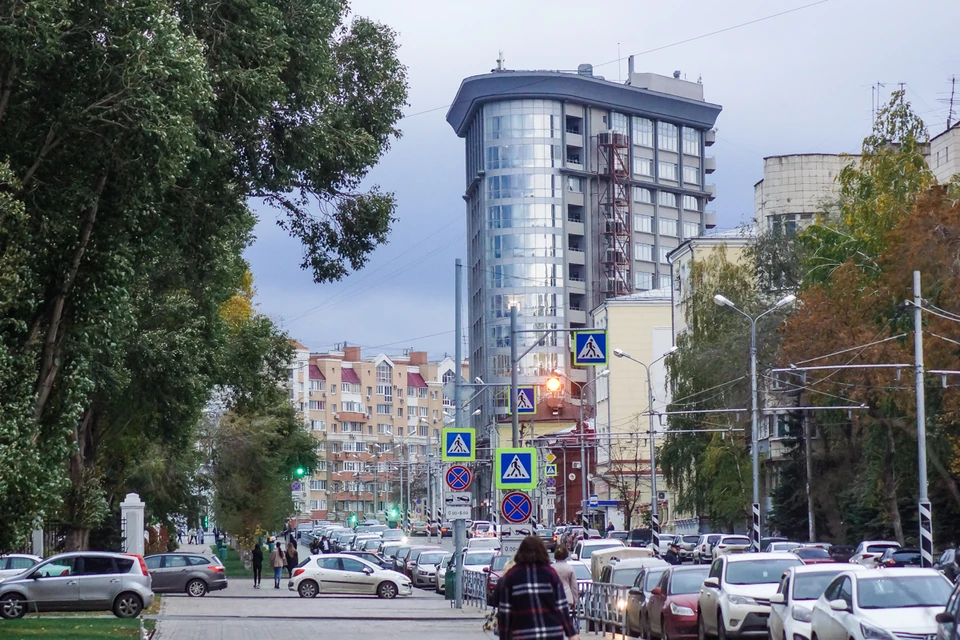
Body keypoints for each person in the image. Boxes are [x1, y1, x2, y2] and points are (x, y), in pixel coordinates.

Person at [491, 536, 580, 640]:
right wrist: (571, 633)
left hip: (523, 634)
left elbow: (505, 613)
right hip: (551, 633)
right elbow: (561, 606)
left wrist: (505, 637)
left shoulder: (511, 577)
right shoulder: (550, 574)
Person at [551, 544, 579, 630]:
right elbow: (574, 586)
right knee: (565, 618)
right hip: (566, 595)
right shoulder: (569, 568)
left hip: (553, 597)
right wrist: (575, 600)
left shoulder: (551, 568)